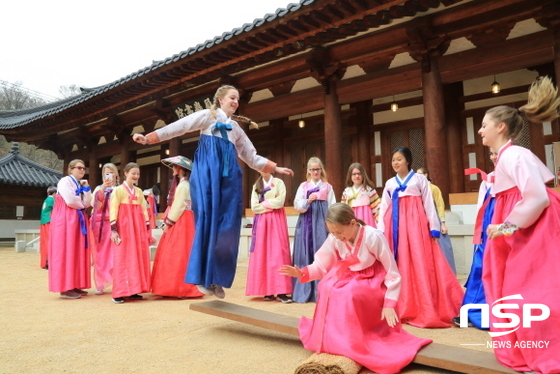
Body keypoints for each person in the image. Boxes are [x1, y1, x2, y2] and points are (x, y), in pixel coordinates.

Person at [132, 85, 293, 299]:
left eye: (238, 98)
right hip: (208, 174)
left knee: (227, 226)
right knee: (208, 223)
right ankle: (203, 277)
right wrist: (150, 138)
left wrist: (275, 168)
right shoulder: (208, 117)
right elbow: (180, 126)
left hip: (230, 179)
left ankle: (218, 278)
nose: (236, 102)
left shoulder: (236, 128)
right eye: (232, 98)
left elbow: (251, 156)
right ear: (220, 99)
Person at [280, 203, 432, 374]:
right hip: (349, 274)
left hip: (373, 279)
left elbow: (392, 272)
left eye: (339, 232)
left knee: (349, 293)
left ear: (352, 223)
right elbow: (322, 264)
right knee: (326, 288)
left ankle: (354, 340)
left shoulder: (373, 236)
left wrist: (390, 304)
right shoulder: (335, 238)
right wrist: (301, 272)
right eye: (333, 233)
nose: (337, 236)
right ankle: (337, 338)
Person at [478, 76, 560, 374]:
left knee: (530, 290)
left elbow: (537, 197)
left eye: (485, 124)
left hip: (531, 231)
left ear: (501, 127)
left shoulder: (514, 155)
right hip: (521, 228)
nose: (480, 129)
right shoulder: (508, 156)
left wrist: (506, 227)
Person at [377, 147, 463, 328]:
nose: (395, 163)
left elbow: (428, 205)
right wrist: (381, 230)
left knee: (419, 260)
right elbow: (384, 207)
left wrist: (434, 228)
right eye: (393, 160)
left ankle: (423, 304)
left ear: (408, 160)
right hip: (396, 227)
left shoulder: (419, 179)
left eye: (399, 159)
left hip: (416, 226)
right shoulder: (390, 183)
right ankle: (401, 304)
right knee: (399, 262)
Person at [452, 149, 497, 329]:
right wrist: (478, 233)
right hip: (488, 230)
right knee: (480, 268)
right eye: (492, 154)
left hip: (508, 229)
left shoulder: (514, 175)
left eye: (497, 154)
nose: (494, 157)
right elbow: (480, 209)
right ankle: (471, 312)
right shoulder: (488, 179)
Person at [151, 156, 203, 298]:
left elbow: (178, 206)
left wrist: (168, 223)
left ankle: (176, 287)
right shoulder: (192, 185)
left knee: (174, 252)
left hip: (181, 220)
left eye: (175, 167)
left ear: (180, 169)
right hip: (190, 220)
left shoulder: (182, 185)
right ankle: (186, 286)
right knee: (186, 252)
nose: (173, 169)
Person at [292, 157, 336, 303]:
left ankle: (322, 291)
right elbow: (297, 205)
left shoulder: (327, 187)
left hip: (321, 226)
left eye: (317, 169)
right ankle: (303, 291)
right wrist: (307, 201)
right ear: (308, 171)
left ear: (321, 170)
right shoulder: (303, 186)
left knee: (322, 254)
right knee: (305, 254)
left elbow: (332, 206)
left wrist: (332, 225)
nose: (315, 172)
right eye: (312, 169)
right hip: (306, 224)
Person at [109, 162, 154, 304]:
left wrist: (147, 229)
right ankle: (119, 292)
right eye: (133, 173)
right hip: (124, 227)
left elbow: (144, 211)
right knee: (122, 257)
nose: (136, 176)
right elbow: (113, 209)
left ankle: (134, 289)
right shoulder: (118, 190)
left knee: (137, 256)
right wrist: (114, 230)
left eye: (137, 174)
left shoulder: (139, 192)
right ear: (126, 173)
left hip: (137, 228)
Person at [246, 171, 292, 303]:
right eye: (261, 167)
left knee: (279, 254)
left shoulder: (278, 183)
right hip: (261, 222)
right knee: (263, 253)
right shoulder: (257, 185)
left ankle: (282, 291)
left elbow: (280, 202)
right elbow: (254, 207)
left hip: (277, 221)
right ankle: (267, 290)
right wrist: (270, 204)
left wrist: (264, 204)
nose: (264, 170)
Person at [48, 159, 91, 299]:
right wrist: (82, 205)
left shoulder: (79, 183)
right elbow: (71, 201)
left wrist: (87, 189)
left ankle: (74, 283)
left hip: (76, 218)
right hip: (66, 219)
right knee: (66, 249)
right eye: (79, 167)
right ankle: (65, 287)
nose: (82, 170)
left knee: (76, 250)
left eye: (84, 168)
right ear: (71, 169)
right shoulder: (65, 181)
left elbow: (87, 202)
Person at [416, 166, 456, 274]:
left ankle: (448, 273)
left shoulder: (434, 188)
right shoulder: (417, 189)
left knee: (443, 247)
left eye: (420, 174)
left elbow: (439, 205)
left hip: (435, 219)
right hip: (422, 220)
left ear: (426, 175)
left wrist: (442, 223)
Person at [90, 163, 119, 295]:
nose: (109, 176)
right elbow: (94, 205)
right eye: (106, 173)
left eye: (111, 173)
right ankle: (100, 283)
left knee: (116, 254)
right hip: (100, 224)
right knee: (100, 255)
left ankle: (117, 282)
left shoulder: (119, 189)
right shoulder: (98, 189)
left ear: (116, 174)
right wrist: (102, 189)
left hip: (114, 223)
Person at [341, 162, 380, 227]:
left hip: (367, 219)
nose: (357, 176)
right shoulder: (346, 192)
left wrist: (378, 220)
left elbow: (377, 207)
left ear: (363, 175)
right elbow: (343, 209)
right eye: (354, 174)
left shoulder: (369, 190)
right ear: (350, 176)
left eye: (359, 173)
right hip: (352, 218)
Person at [39, 186, 56, 269]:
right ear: (55, 193)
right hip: (48, 221)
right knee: (49, 241)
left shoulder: (46, 199)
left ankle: (44, 262)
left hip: (43, 221)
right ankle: (48, 262)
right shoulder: (52, 200)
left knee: (44, 242)